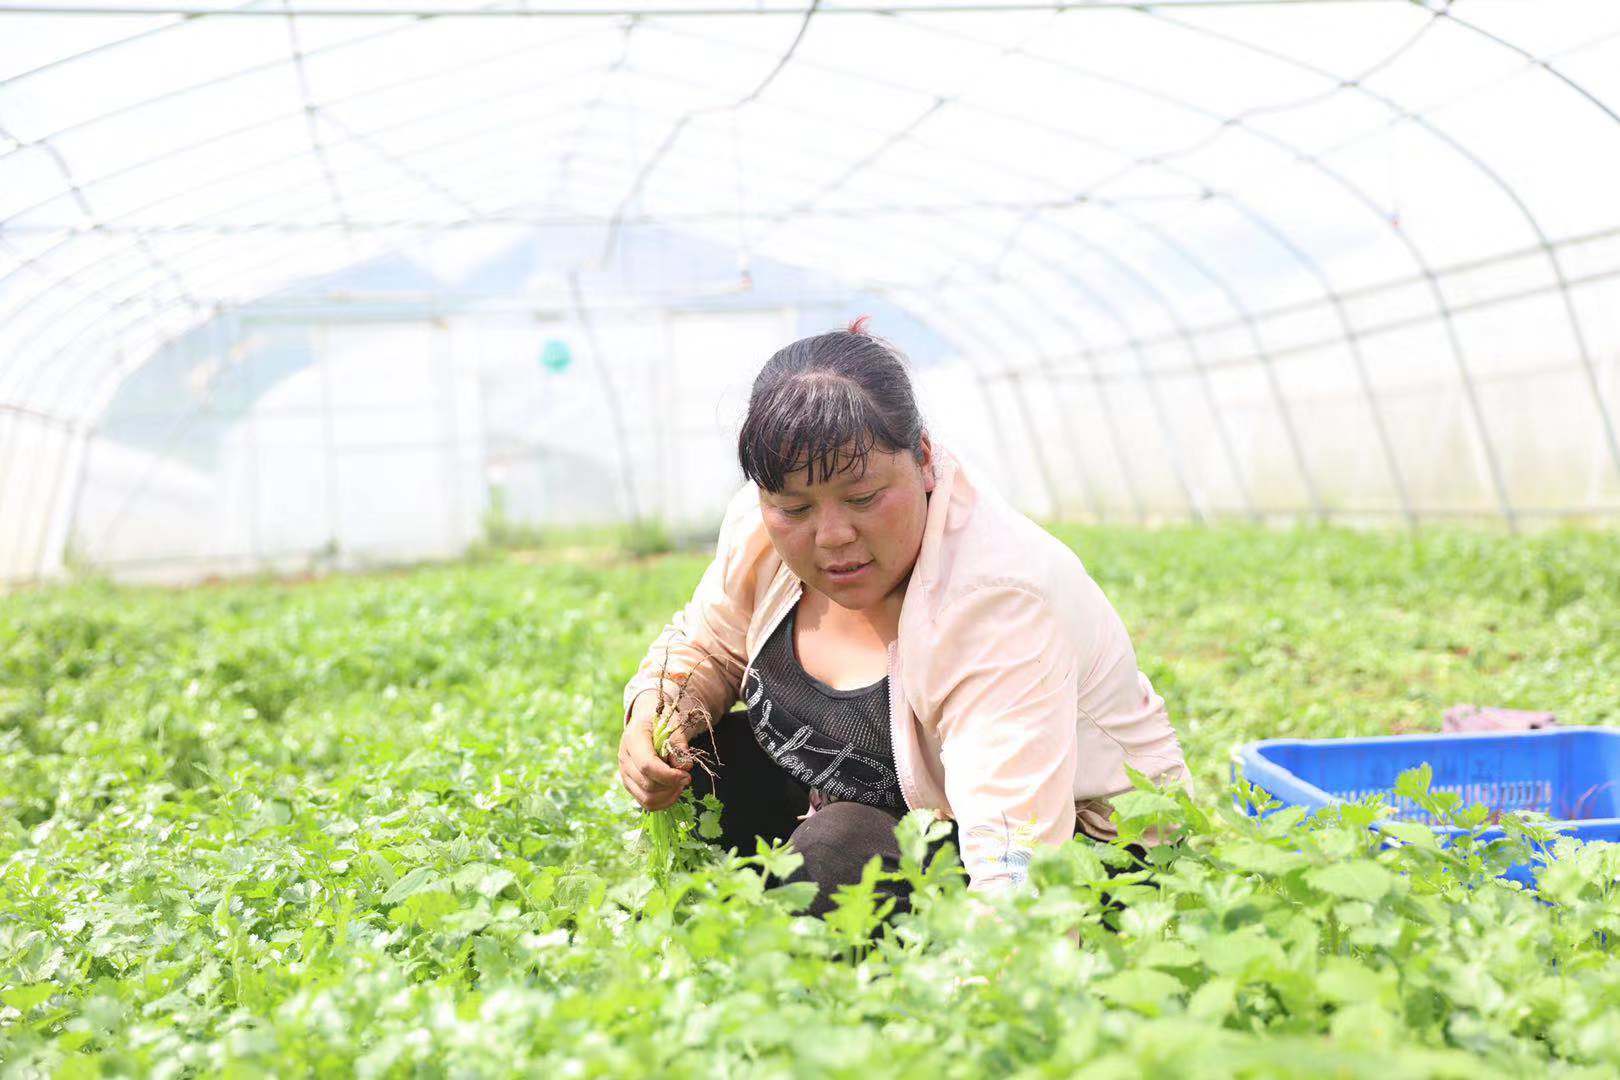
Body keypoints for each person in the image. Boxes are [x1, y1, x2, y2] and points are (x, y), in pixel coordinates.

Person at [618, 318, 1189, 918]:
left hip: (1077, 847)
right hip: (894, 804)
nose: (833, 535)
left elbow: (1015, 849)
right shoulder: (761, 527)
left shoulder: (997, 599)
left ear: (921, 459)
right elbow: (708, 646)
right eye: (795, 506)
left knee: (834, 860)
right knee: (708, 760)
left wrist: (1013, 978)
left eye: (863, 498)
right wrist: (659, 715)